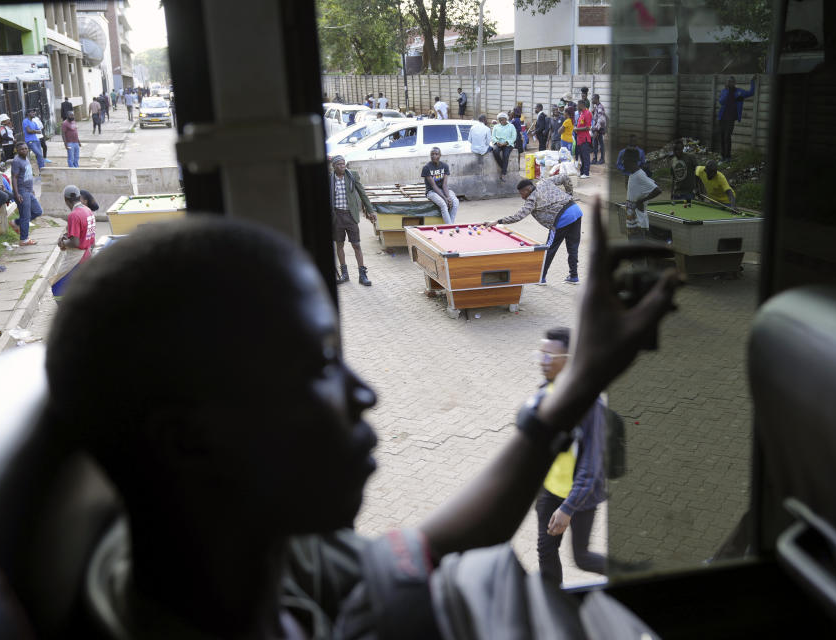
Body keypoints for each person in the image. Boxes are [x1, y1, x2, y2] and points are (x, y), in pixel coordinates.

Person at [42, 203, 677, 639]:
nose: (367, 393)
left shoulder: (233, 555)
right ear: (188, 437)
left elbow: (422, 555)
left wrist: (575, 388)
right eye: (320, 364)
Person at [534, 326, 609, 585]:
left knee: (582, 558)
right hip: (549, 492)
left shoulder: (590, 406)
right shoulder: (546, 390)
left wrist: (568, 508)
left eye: (550, 357)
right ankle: (552, 602)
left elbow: (592, 466)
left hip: (580, 497)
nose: (543, 362)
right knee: (545, 549)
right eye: (541, 354)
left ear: (568, 361)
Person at [483, 175, 583, 284]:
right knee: (573, 246)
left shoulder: (531, 200)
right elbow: (565, 178)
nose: (522, 197)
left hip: (562, 219)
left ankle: (541, 277)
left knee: (548, 249)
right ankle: (574, 276)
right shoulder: (544, 182)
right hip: (575, 210)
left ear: (528, 189)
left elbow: (518, 216)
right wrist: (569, 194)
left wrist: (497, 221)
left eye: (522, 193)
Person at [329, 155, 375, 286]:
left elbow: (362, 193)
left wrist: (370, 210)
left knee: (356, 245)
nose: (342, 167)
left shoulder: (352, 175)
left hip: (351, 216)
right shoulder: (330, 178)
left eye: (343, 164)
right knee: (340, 245)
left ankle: (362, 275)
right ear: (334, 166)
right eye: (339, 165)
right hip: (337, 216)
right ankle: (344, 274)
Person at [50, 184, 96, 299]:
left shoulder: (74, 215)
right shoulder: (88, 210)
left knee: (57, 287)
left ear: (66, 200)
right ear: (79, 197)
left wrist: (62, 243)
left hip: (77, 256)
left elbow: (75, 242)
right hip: (88, 253)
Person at [9, 141, 43, 246]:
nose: (24, 150)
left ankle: (16, 223)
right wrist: (17, 193)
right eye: (21, 149)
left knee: (38, 211)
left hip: (29, 191)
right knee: (25, 215)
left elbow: (27, 175)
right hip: (22, 191)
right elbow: (14, 178)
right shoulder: (17, 161)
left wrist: (31, 189)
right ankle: (24, 239)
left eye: (26, 148)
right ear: (17, 150)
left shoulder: (26, 158)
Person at [717, 75, 756, 160]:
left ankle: (728, 157)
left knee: (727, 137)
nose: (729, 83)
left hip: (731, 118)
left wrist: (752, 82)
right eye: (728, 81)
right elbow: (721, 102)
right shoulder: (724, 91)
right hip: (722, 118)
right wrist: (727, 91)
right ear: (726, 83)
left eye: (731, 81)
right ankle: (723, 156)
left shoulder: (739, 92)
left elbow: (751, 92)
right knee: (722, 137)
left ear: (734, 83)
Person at [625, 155, 661, 242]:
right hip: (632, 221)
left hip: (639, 223)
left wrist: (642, 200)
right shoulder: (632, 174)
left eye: (625, 164)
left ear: (632, 163)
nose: (624, 166)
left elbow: (657, 190)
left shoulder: (639, 175)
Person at [421, 147, 458, 224]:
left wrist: (448, 197)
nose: (434, 156)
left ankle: (450, 225)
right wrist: (444, 198)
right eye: (432, 154)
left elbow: (444, 185)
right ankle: (450, 227)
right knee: (443, 204)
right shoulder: (426, 168)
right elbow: (434, 186)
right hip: (431, 192)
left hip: (443, 190)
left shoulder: (445, 166)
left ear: (440, 155)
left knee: (455, 202)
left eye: (436, 154)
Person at [491, 112, 517, 179]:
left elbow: (514, 137)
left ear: (506, 119)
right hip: (498, 143)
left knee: (506, 154)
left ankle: (503, 173)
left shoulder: (511, 126)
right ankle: (503, 167)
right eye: (500, 120)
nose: (501, 121)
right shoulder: (496, 126)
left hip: (508, 144)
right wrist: (497, 142)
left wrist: (506, 143)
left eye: (502, 120)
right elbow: (493, 136)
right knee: (495, 151)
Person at [574, 99, 593, 178]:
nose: (577, 107)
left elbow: (588, 127)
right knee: (581, 157)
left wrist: (577, 129)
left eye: (578, 105)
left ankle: (586, 173)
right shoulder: (581, 113)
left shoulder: (588, 113)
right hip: (579, 139)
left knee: (585, 156)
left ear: (581, 105)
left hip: (585, 139)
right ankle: (582, 172)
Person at [590, 94, 607, 165]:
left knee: (600, 144)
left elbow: (601, 120)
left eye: (592, 99)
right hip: (596, 128)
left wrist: (596, 130)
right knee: (595, 144)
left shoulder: (600, 107)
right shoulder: (597, 107)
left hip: (599, 129)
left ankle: (602, 159)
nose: (592, 100)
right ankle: (595, 159)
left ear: (596, 99)